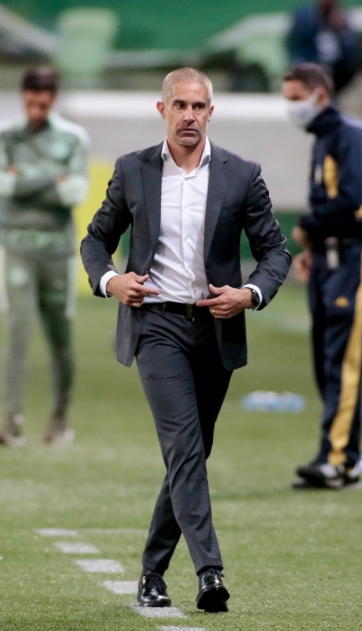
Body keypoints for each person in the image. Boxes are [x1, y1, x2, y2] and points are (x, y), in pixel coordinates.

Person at [81, 68, 290, 612]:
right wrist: (111, 281)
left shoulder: (242, 175)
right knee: (184, 447)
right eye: (180, 105)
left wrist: (250, 294)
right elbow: (96, 239)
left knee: (192, 455)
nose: (190, 116)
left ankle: (152, 571)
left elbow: (276, 252)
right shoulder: (133, 170)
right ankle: (210, 572)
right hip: (156, 327)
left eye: (199, 107)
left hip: (215, 326)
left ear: (211, 113)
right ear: (162, 110)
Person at [283, 63, 362, 490]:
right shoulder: (322, 138)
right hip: (327, 258)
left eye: (295, 98)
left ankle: (338, 457)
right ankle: (341, 458)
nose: (290, 108)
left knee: (343, 357)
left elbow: (349, 199)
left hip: (353, 255)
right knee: (325, 357)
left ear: (320, 95)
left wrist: (308, 225)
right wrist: (311, 248)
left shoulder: (350, 134)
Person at [0, 67, 89, 445]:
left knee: (60, 337)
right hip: (16, 247)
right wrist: (52, 177)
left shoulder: (73, 138)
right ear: (23, 96)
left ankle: (60, 418)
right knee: (17, 332)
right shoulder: (3, 136)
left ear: (53, 99)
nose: (37, 106)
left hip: (58, 252)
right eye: (31, 99)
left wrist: (23, 180)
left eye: (43, 101)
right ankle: (11, 421)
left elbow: (75, 193)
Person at [287, 0, 360, 95]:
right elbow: (293, 42)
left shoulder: (341, 17)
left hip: (336, 66)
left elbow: (352, 48)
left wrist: (342, 31)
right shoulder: (305, 16)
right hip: (312, 61)